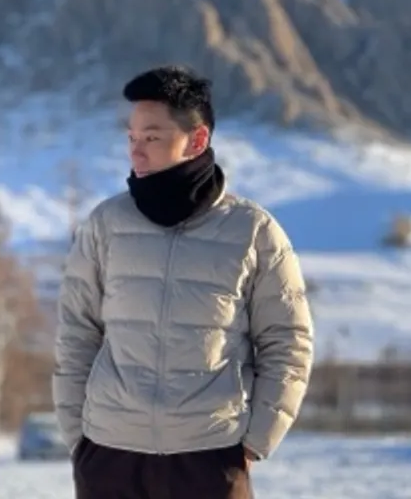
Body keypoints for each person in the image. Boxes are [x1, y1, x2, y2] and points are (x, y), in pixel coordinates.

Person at [53, 65, 314, 499]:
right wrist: (79, 439)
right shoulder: (106, 224)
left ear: (196, 140)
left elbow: (287, 340)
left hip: (209, 459)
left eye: (151, 138)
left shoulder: (253, 231)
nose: (136, 153)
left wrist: (255, 442)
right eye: (131, 138)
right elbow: (77, 333)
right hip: (110, 458)